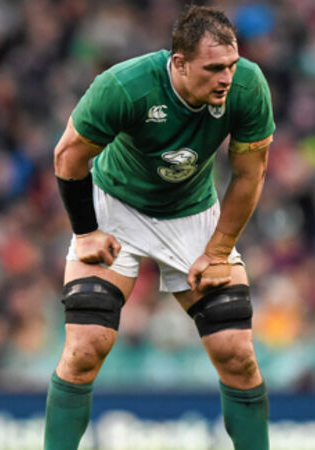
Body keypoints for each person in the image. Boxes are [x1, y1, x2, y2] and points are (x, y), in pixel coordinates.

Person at [44, 6, 274, 450]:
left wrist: (218, 250)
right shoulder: (125, 86)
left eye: (231, 65)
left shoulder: (248, 86)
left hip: (192, 212)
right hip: (116, 207)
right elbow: (68, 155)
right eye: (214, 68)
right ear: (180, 63)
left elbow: (251, 174)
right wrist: (86, 232)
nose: (226, 78)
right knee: (85, 348)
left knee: (238, 354)